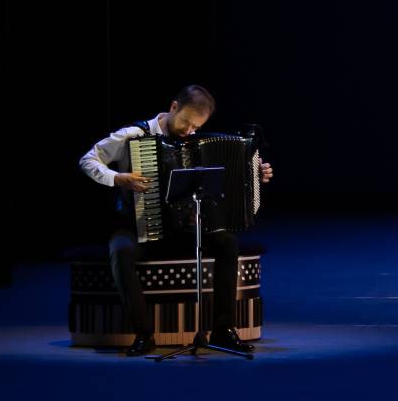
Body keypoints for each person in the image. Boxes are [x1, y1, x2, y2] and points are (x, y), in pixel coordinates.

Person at [79, 84, 274, 355]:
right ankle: (144, 334)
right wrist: (118, 178)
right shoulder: (134, 135)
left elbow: (228, 178)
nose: (188, 131)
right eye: (185, 122)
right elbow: (88, 160)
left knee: (228, 242)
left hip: (185, 228)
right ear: (173, 107)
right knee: (121, 252)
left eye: (196, 126)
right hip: (136, 225)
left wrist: (255, 173)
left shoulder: (196, 142)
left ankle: (222, 330)